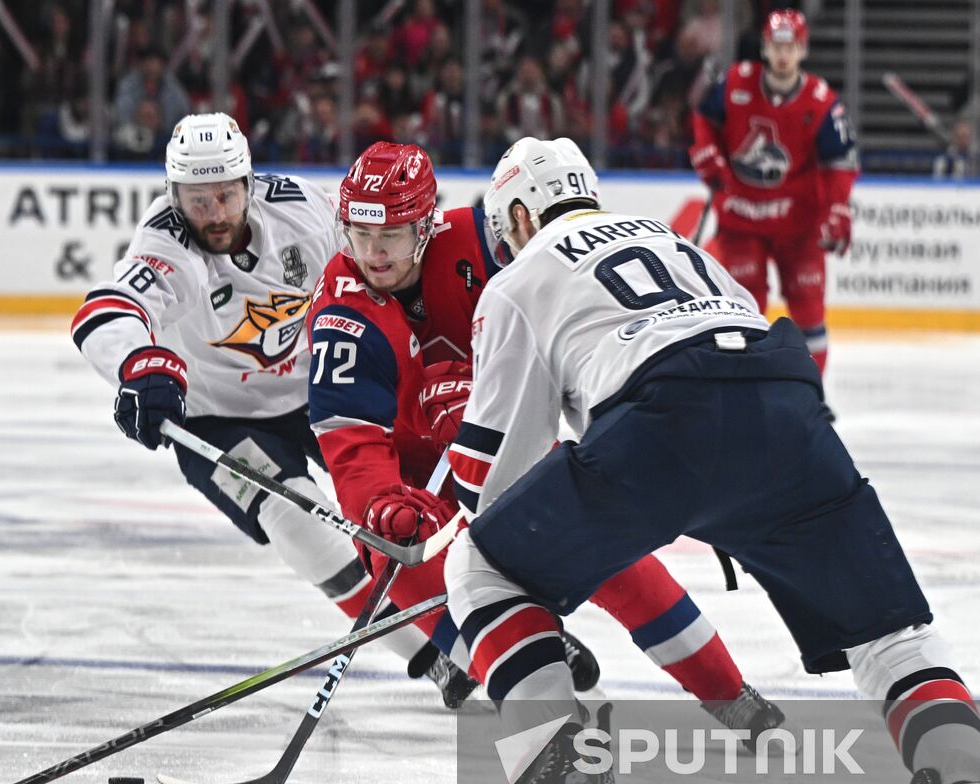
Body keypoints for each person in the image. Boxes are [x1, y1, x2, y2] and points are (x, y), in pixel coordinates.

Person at [442, 135, 980, 784]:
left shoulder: (520, 279)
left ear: (519, 213)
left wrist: (464, 539)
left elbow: (499, 474)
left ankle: (558, 782)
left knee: (482, 562)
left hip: (665, 424)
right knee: (891, 635)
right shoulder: (678, 242)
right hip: (788, 406)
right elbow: (729, 361)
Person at [306, 140, 784, 735]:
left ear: (427, 225)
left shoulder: (488, 243)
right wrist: (383, 504)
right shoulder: (343, 311)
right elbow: (352, 449)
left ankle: (727, 693)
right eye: (359, 233)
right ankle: (495, 667)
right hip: (411, 481)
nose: (373, 254)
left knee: (614, 551)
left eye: (394, 236)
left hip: (507, 439)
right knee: (391, 553)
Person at [70, 113, 470, 706]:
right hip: (216, 417)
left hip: (318, 387)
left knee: (405, 502)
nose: (213, 213)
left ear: (249, 184)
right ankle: (435, 655)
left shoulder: (301, 211)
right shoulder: (164, 245)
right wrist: (140, 365)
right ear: (171, 194)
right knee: (299, 522)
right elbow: (106, 310)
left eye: (226, 194)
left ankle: (498, 620)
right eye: (195, 198)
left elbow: (381, 263)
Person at [689, 10, 857, 379]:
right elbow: (704, 119)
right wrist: (705, 151)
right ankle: (751, 390)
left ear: (803, 49)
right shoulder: (735, 83)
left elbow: (839, 163)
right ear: (765, 47)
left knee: (810, 312)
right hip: (740, 221)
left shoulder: (821, 101)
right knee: (746, 309)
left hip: (799, 227)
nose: (783, 55)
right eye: (777, 46)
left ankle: (811, 394)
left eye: (791, 46)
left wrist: (838, 210)